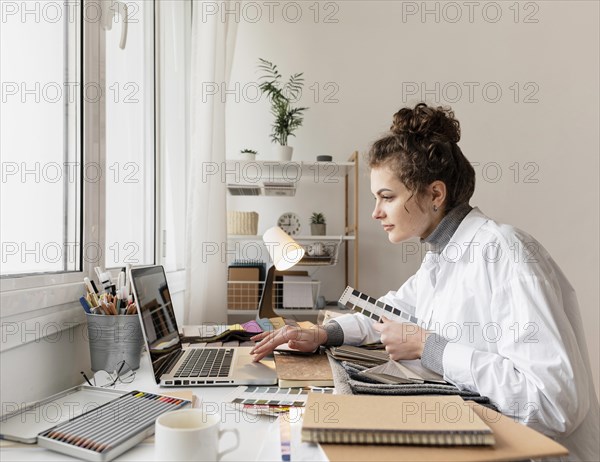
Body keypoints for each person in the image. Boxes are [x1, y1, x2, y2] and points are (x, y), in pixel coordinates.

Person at [250, 103, 599, 460]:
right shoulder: (442, 257)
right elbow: (391, 311)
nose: (376, 212)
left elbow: (555, 404)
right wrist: (324, 334)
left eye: (387, 197)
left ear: (435, 194)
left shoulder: (504, 252)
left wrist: (430, 347)